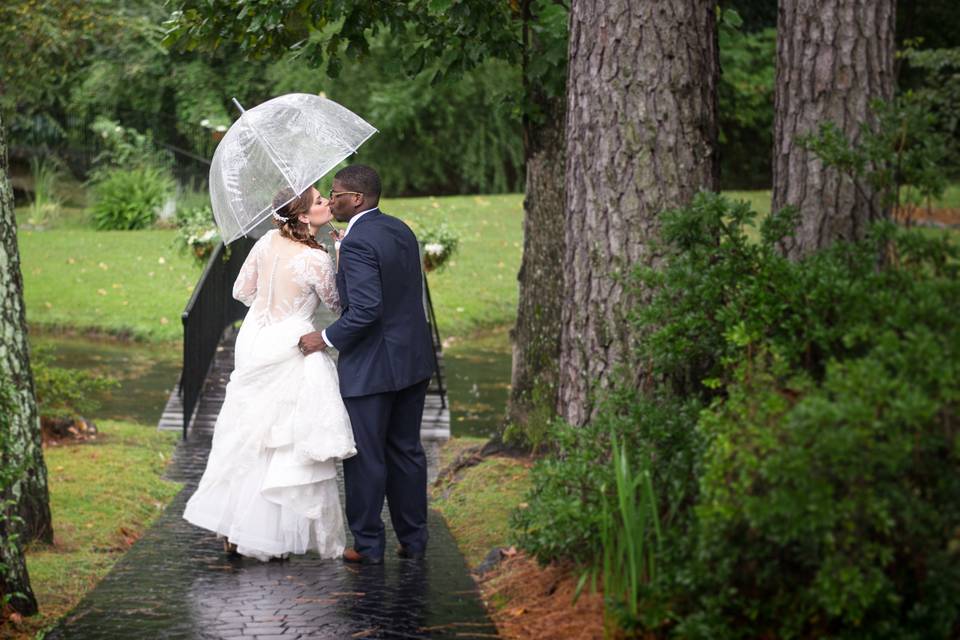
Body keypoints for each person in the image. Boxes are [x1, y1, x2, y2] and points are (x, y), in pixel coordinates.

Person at [183, 186, 356, 562]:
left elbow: (241, 290)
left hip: (256, 339)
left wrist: (269, 303)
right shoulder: (317, 259)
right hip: (292, 342)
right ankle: (270, 534)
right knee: (285, 440)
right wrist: (340, 258)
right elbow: (339, 304)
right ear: (305, 216)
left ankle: (234, 527)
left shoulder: (264, 242)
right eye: (320, 201)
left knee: (249, 434)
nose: (328, 202)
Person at [299, 165, 435, 565]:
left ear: (356, 199)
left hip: (373, 369)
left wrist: (322, 339)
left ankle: (368, 544)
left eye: (336, 193)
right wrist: (347, 252)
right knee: (407, 451)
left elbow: (366, 310)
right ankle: (414, 539)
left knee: (366, 456)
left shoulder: (358, 243)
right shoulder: (399, 229)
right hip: (412, 361)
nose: (331, 197)